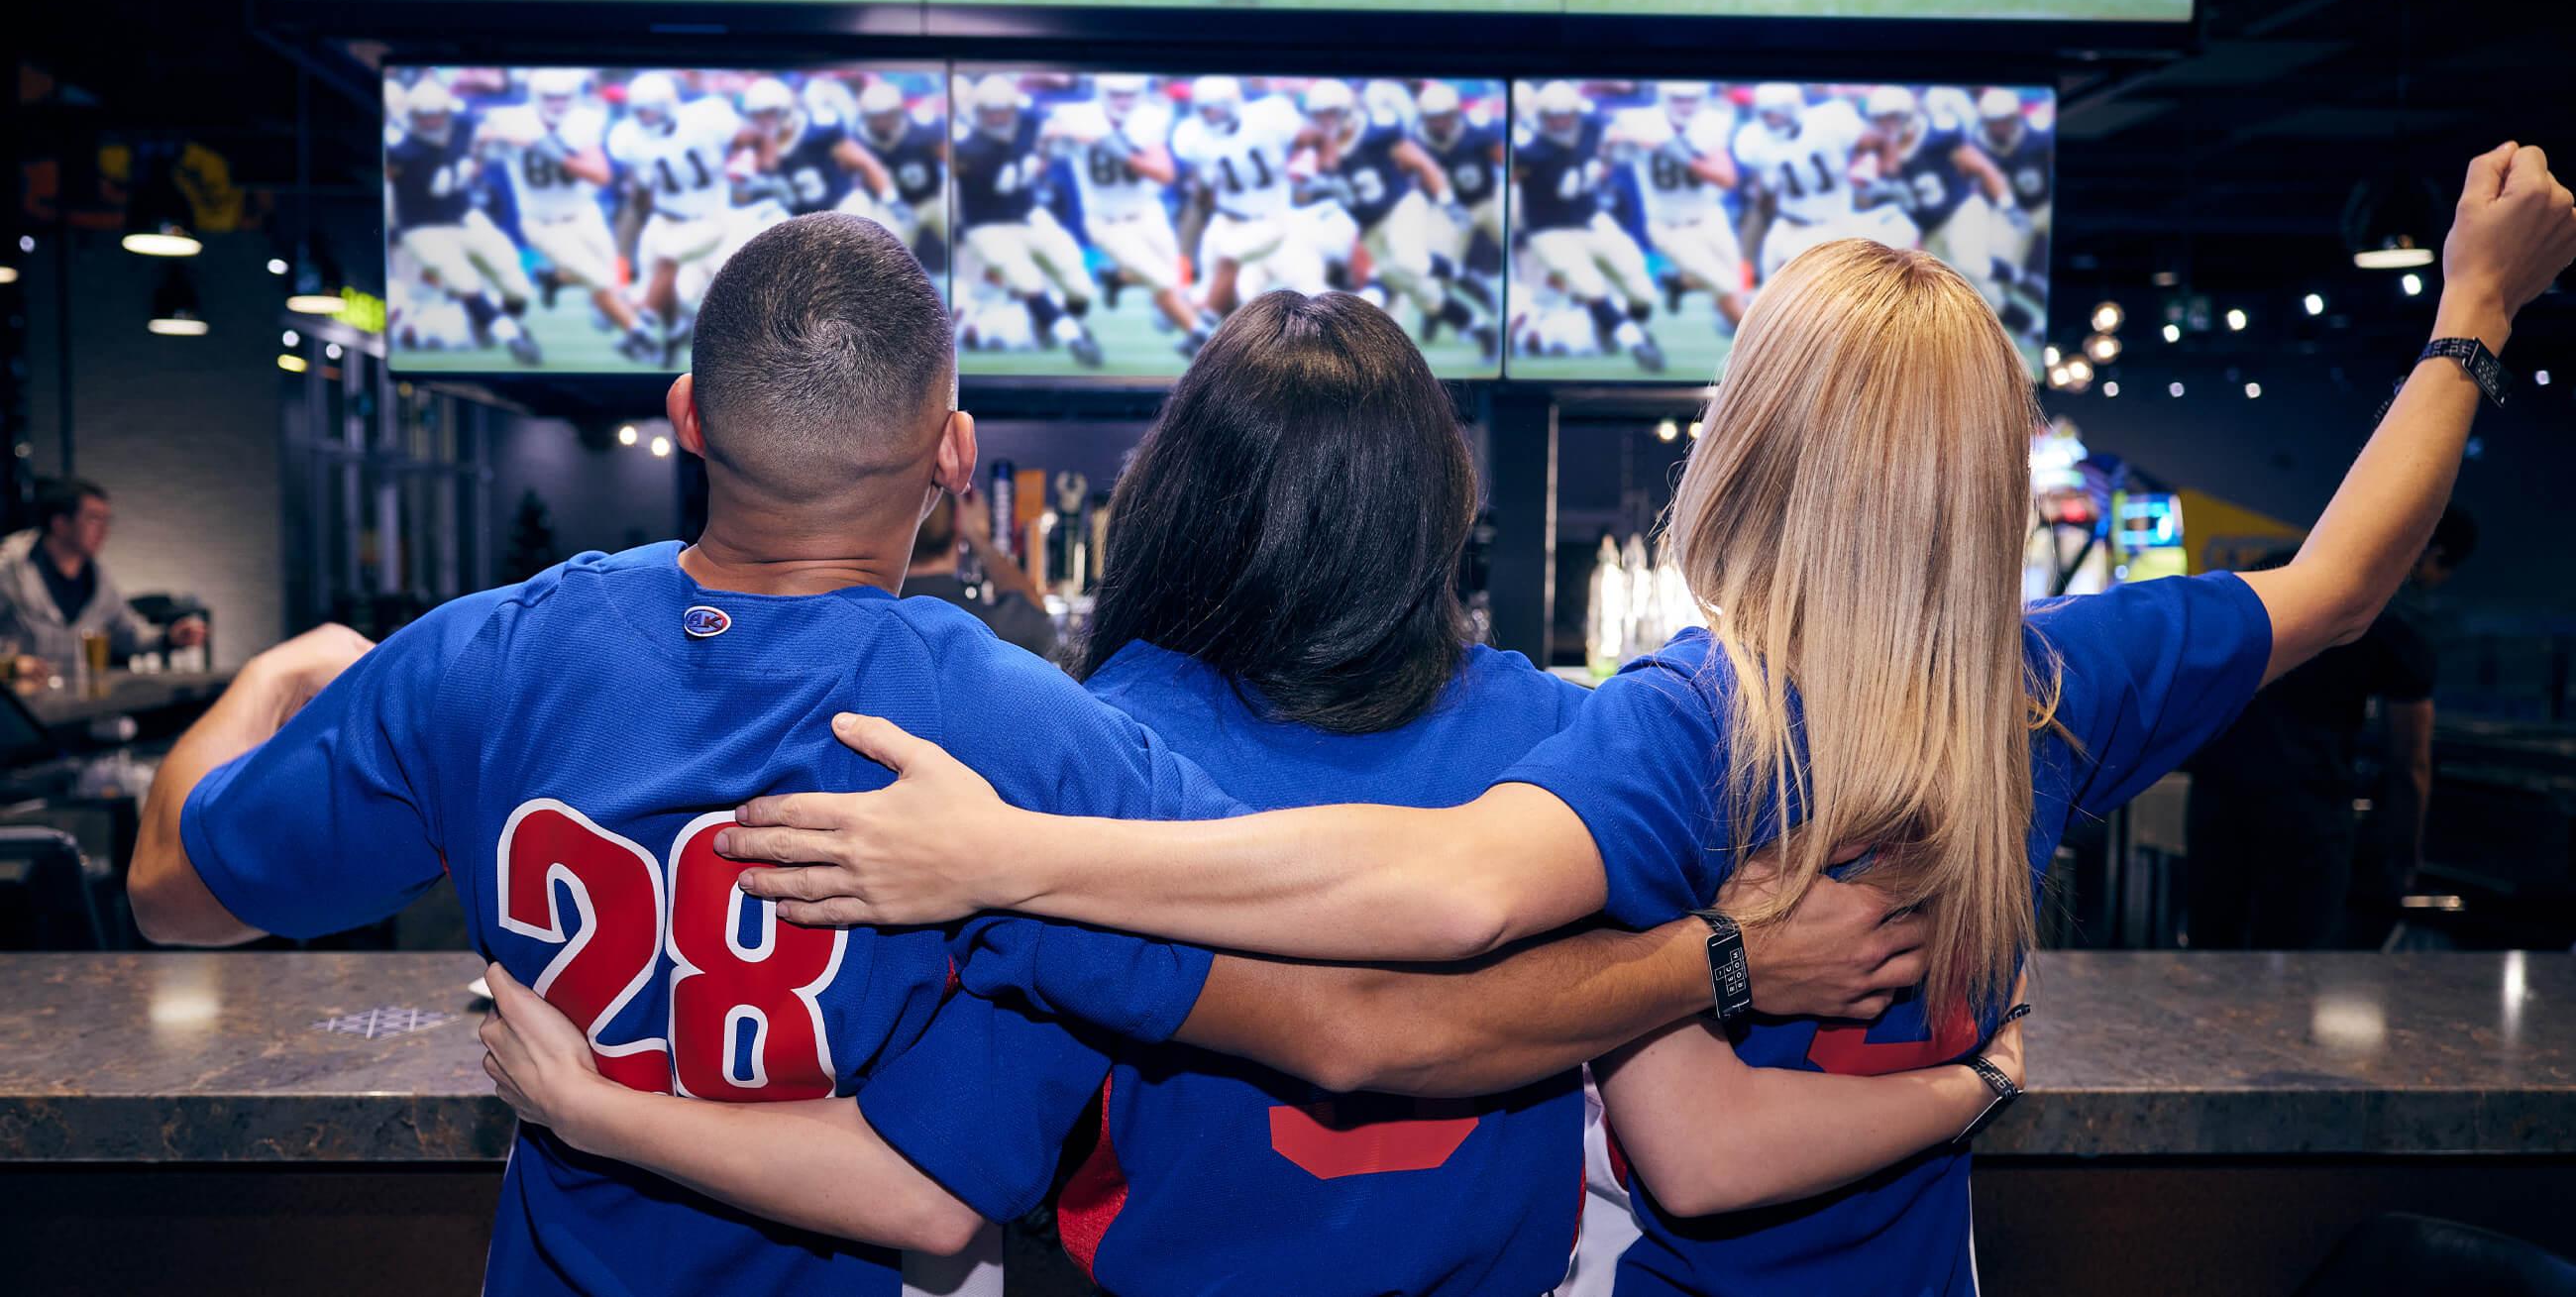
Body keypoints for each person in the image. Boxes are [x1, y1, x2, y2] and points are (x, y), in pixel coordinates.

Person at [718, 144, 2576, 1296]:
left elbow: (1443, 921)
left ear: (1751, 450)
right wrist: (2470, 314)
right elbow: (2338, 584)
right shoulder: (2049, 694)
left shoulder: (1690, 724)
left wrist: (1019, 852)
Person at [127, 214, 1914, 1296]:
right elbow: (1358, 1027)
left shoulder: (486, 653)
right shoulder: (1028, 737)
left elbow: (172, 889)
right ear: (956, 453)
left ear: (681, 421)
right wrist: (1740, 956)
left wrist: (276, 667)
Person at [2186, 506, 2475, 949]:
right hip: (2308, 811)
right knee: (2296, 968)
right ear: (2429, 550)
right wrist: (2404, 854)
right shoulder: (2398, 615)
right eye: (2444, 569)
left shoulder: (2275, 568)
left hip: (2219, 796)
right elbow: (2410, 760)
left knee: (2209, 953)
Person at [0, 478, 207, 677]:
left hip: (76, 705)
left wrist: (170, 637)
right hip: (18, 707)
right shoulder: (10, 570)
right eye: (93, 518)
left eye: (107, 520)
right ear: (60, 524)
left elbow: (129, 635)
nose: (104, 529)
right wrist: (10, 666)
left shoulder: (98, 579)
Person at [902, 490, 1058, 662]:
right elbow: (1039, 618)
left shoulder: (872, 623)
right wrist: (978, 537)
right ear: (957, 529)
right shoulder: (995, 628)